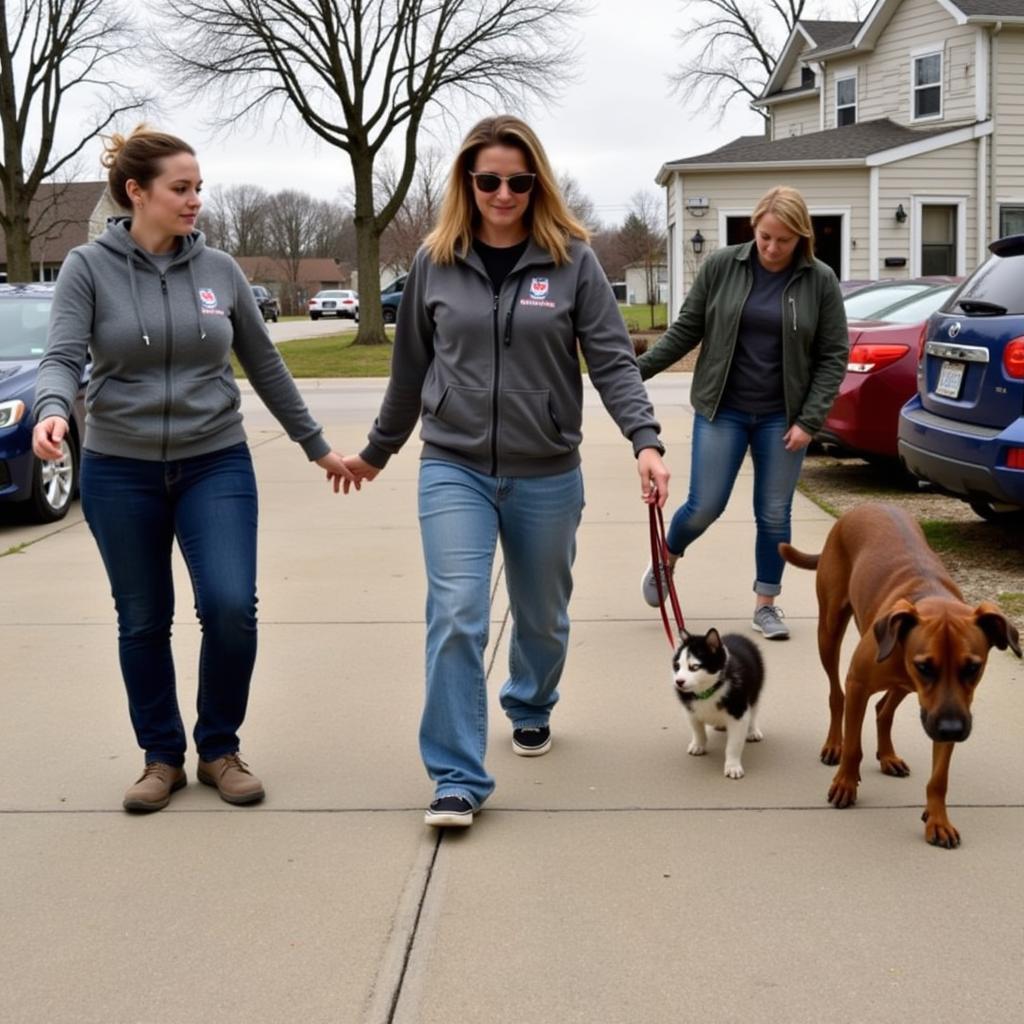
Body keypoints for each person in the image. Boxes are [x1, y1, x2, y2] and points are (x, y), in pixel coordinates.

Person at [342, 115, 670, 828]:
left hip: (547, 469)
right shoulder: (434, 260)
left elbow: (612, 362)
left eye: (519, 181)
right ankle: (457, 775)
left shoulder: (574, 261)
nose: (503, 193)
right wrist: (377, 451)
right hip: (453, 465)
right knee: (457, 612)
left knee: (542, 616)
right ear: (467, 180)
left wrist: (645, 440)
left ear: (537, 183)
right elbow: (409, 373)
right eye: (488, 179)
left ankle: (529, 701)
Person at [32, 126, 356, 813]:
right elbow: (62, 358)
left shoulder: (220, 271)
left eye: (198, 188)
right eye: (181, 189)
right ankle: (160, 757)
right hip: (121, 470)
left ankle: (218, 748)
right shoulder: (86, 268)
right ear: (136, 192)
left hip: (216, 462)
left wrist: (317, 445)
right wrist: (53, 410)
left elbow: (265, 366)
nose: (195, 201)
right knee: (143, 618)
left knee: (233, 607)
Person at [637, 185, 848, 640]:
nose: (772, 248)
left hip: (783, 417)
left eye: (783, 240)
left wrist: (809, 420)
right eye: (765, 236)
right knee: (704, 506)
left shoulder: (820, 281)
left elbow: (834, 355)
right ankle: (667, 558)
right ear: (753, 228)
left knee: (774, 513)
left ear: (801, 238)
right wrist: (634, 372)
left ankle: (766, 604)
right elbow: (686, 330)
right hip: (723, 409)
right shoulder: (721, 266)